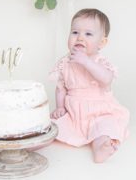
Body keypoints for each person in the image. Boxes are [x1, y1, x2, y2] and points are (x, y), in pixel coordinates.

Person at [50, 8, 129, 163]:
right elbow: (61, 88)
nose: (79, 38)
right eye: (74, 32)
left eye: (88, 34)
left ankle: (101, 147)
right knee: (53, 127)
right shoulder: (64, 63)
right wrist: (60, 107)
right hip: (74, 113)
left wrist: (86, 62)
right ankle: (35, 141)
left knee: (103, 128)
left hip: (100, 112)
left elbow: (106, 79)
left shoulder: (100, 62)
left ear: (102, 42)